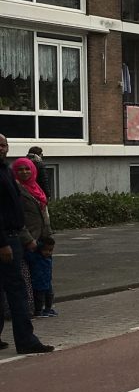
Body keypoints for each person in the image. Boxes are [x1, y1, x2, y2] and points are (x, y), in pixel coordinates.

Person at [0, 133, 53, 354]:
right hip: (5, 240)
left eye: (4, 144)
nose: (1, 148)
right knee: (16, 290)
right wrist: (3, 242)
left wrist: (27, 239)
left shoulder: (5, 170)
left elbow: (16, 209)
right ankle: (25, 340)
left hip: (15, 237)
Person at [13, 156, 56, 317]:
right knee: (28, 277)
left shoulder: (36, 188)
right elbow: (16, 217)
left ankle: (44, 306)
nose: (24, 172)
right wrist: (27, 238)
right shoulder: (16, 190)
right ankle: (30, 309)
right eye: (20, 170)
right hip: (27, 241)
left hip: (42, 241)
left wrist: (49, 236)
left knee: (43, 274)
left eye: (27, 169)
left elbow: (44, 215)